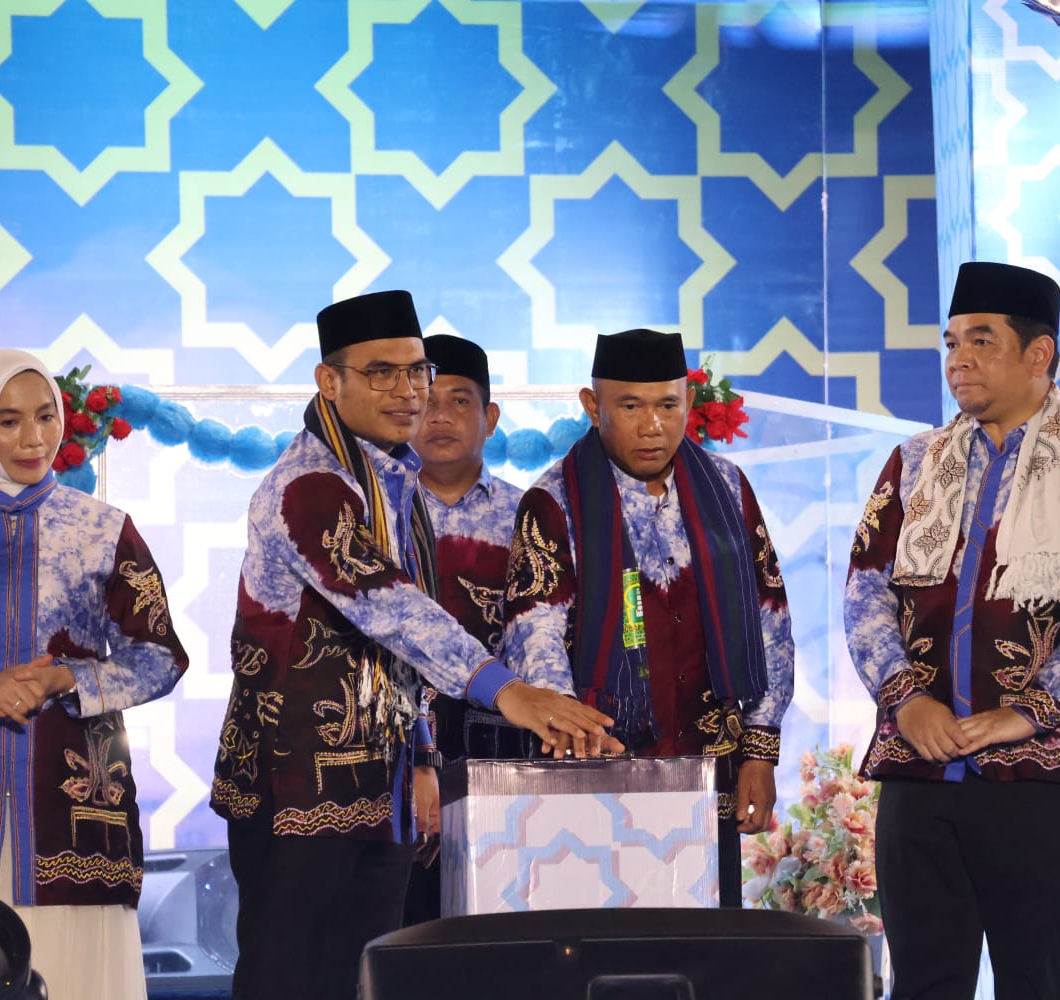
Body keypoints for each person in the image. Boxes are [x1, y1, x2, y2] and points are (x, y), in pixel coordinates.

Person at [210, 290, 619, 1000]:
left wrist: (422, 756)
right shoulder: (309, 485)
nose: (408, 392)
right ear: (328, 381)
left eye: (415, 371)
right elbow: (392, 609)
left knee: (369, 980)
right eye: (381, 373)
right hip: (294, 785)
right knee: (292, 979)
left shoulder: (388, 481)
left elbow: (399, 659)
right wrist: (509, 691)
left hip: (381, 783)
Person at [845, 262, 1060, 1000]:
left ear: (1038, 353)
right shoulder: (915, 462)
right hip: (919, 763)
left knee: (1034, 980)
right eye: (952, 342)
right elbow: (864, 589)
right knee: (923, 983)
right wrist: (906, 700)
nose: (959, 358)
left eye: (981, 341)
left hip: (1037, 772)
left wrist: (1028, 712)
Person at [0, 349, 188, 999]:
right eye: (8, 420)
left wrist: (68, 680)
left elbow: (161, 655)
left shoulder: (103, 529)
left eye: (46, 417)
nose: (34, 438)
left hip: (74, 805)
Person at [501, 327, 795, 907]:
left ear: (689, 401)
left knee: (707, 943)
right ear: (593, 407)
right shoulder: (554, 501)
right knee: (605, 940)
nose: (652, 425)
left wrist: (761, 752)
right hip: (599, 772)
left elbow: (772, 618)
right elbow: (534, 637)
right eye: (630, 406)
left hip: (713, 770)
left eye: (667, 405)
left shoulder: (728, 488)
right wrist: (576, 740)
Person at [401, 333, 530, 927]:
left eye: (460, 401)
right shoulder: (375, 513)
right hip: (396, 754)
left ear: (490, 417)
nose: (440, 417)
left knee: (498, 936)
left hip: (505, 756)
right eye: (427, 402)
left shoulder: (530, 516)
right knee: (404, 932)